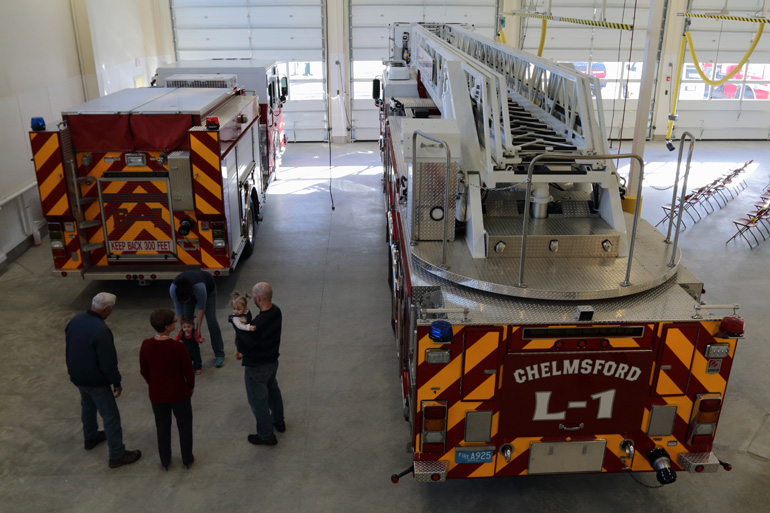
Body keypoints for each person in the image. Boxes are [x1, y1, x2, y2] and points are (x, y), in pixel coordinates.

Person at [65, 292, 141, 468]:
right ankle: (117, 454)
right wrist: (117, 381)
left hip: (78, 376)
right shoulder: (101, 330)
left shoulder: (75, 320)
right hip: (96, 380)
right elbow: (108, 362)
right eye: (111, 309)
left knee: (88, 406)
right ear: (107, 309)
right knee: (110, 416)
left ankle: (90, 437)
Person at [139, 309, 196, 470]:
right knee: (184, 425)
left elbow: (144, 370)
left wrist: (154, 383)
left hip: (157, 395)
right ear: (167, 327)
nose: (176, 323)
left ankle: (165, 460)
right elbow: (188, 372)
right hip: (179, 393)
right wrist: (190, 387)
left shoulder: (146, 345)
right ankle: (187, 458)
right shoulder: (178, 347)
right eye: (174, 321)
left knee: (162, 426)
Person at [235, 282, 285, 446]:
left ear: (257, 298)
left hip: (257, 368)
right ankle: (278, 421)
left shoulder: (258, 323)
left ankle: (266, 436)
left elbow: (244, 345)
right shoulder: (276, 311)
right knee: (273, 390)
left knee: (259, 403)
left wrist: (238, 333)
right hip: (272, 362)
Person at [169, 270, 226, 367]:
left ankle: (219, 354)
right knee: (187, 325)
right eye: (183, 301)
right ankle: (190, 355)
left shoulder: (200, 288)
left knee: (212, 321)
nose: (185, 303)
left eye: (186, 301)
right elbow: (178, 308)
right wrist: (181, 326)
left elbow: (201, 307)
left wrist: (199, 328)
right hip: (188, 292)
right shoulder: (173, 290)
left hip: (208, 290)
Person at [228, 291, 255, 361]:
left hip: (246, 333)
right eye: (234, 309)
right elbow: (240, 326)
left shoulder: (246, 312)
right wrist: (249, 327)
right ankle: (239, 353)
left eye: (238, 309)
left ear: (245, 307)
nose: (236, 311)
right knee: (242, 346)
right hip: (240, 335)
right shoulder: (235, 318)